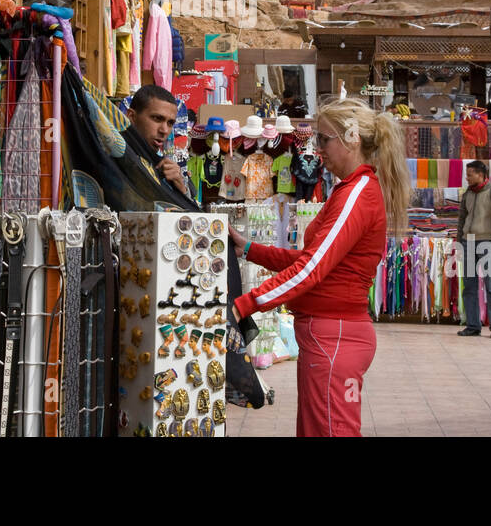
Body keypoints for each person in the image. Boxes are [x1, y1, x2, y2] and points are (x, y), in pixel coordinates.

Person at [229, 97, 408, 436]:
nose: (317, 149)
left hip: (334, 336)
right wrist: (251, 250)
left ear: (351, 138)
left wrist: (244, 305)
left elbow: (312, 267)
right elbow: (318, 263)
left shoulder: (357, 192)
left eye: (323, 139)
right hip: (330, 336)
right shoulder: (351, 190)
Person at [455, 160, 491, 338]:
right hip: (468, 242)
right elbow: (461, 219)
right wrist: (459, 241)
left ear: (481, 174)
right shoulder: (467, 194)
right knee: (469, 286)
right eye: (467, 174)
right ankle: (473, 325)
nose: (467, 177)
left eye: (470, 174)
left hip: (487, 241)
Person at [124, 84, 194, 203]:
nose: (164, 130)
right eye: (157, 118)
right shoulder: (114, 156)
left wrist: (181, 189)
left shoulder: (162, 168)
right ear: (132, 116)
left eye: (170, 123)